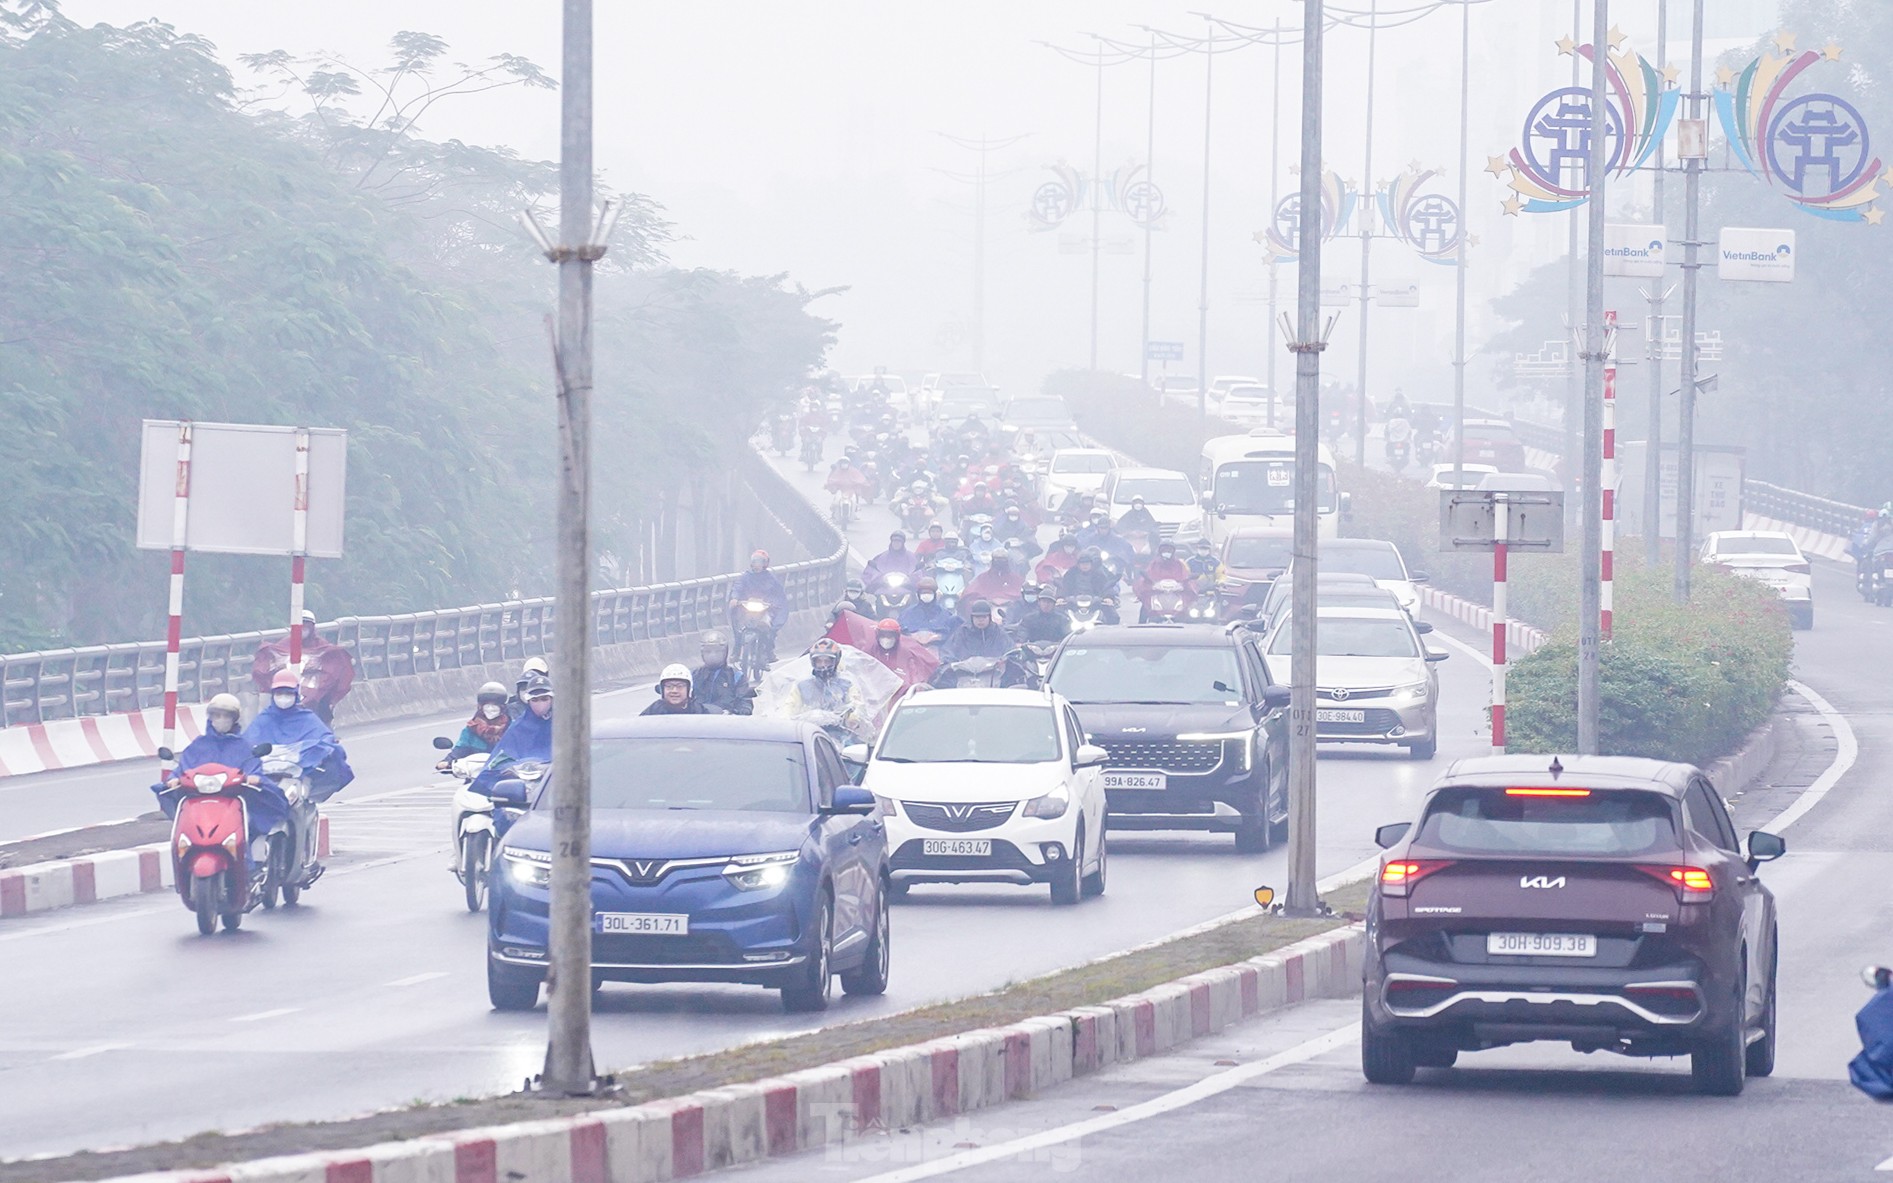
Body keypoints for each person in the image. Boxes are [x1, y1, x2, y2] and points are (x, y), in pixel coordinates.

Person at [152, 693, 286, 843]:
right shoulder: (198, 745)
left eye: (226, 715)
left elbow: (253, 769)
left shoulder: (244, 747)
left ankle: (247, 857)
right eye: (217, 715)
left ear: (234, 719)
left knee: (250, 820)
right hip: (200, 804)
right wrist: (174, 779)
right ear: (211, 717)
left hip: (232, 804)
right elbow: (183, 768)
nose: (221, 719)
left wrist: (253, 779)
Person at [244, 670, 354, 804]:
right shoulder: (264, 719)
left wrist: (324, 748)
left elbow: (324, 737)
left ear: (296, 694)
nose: (283, 697)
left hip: (298, 774)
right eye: (279, 693)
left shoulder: (306, 718)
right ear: (273, 694)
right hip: (266, 775)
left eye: (288, 693)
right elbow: (248, 742)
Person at [250, 610, 356, 725]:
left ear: (313, 627)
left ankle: (325, 730)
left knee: (323, 703)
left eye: (307, 624)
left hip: (315, 690)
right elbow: (270, 661)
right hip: (288, 689)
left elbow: (333, 668)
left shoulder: (323, 648)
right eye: (300, 624)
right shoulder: (283, 646)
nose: (303, 627)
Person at [785, 638, 867, 741]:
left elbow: (857, 705)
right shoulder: (801, 684)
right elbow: (789, 709)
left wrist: (852, 719)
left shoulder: (847, 683)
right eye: (819, 661)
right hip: (809, 733)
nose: (823, 665)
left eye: (827, 661)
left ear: (836, 660)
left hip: (841, 734)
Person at [730, 549, 790, 658]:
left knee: (768, 627)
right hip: (747, 608)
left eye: (760, 562)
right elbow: (738, 587)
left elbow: (778, 594)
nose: (757, 565)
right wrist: (735, 598)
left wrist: (773, 604)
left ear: (765, 564)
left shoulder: (770, 578)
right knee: (738, 627)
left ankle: (768, 651)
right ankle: (736, 650)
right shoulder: (746, 576)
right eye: (755, 562)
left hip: (765, 610)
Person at [438, 682, 512, 770]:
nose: (490, 708)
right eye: (486, 705)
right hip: (477, 774)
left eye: (495, 705)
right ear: (480, 706)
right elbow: (461, 748)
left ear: (502, 707)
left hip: (506, 772)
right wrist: (447, 761)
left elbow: (522, 748)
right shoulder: (471, 729)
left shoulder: (513, 727)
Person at [865, 617, 938, 692]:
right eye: (883, 635)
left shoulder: (907, 651)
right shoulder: (871, 650)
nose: (886, 639)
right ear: (877, 635)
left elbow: (914, 675)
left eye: (890, 636)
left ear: (897, 636)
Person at [692, 631, 753, 715]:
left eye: (717, 652)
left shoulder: (736, 676)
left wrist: (736, 712)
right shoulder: (694, 675)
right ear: (702, 653)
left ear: (725, 653)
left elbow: (744, 701)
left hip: (726, 723)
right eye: (708, 652)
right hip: (696, 722)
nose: (712, 655)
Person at [1059, 547, 1122, 624]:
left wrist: (1108, 597)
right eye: (1082, 563)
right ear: (1078, 564)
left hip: (1095, 604)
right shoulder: (1070, 574)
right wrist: (1060, 597)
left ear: (1091, 564)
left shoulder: (1099, 575)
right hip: (1073, 605)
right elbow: (1063, 586)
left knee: (1113, 617)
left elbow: (1106, 587)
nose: (1085, 565)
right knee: (1058, 617)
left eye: (1087, 563)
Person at [940, 600, 1014, 664]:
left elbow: (1011, 651)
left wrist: (1004, 662)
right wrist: (951, 662)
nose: (980, 620)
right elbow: (947, 651)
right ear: (972, 617)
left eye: (984, 617)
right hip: (965, 674)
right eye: (977, 617)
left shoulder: (998, 632)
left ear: (989, 617)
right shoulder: (963, 632)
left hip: (994, 674)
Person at [1135, 541, 1196, 617]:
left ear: (1173, 552)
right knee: (1146, 606)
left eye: (1169, 550)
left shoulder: (1179, 564)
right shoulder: (1155, 564)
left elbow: (1185, 576)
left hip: (1176, 592)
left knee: (1188, 606)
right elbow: (1148, 575)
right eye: (1164, 550)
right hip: (1157, 591)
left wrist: (1183, 584)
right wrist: (1153, 583)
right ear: (1160, 551)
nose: (1166, 552)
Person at [898, 576, 961, 645]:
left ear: (935, 594)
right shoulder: (906, 614)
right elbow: (900, 633)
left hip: (938, 649)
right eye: (924, 592)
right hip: (912, 648)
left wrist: (939, 637)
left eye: (929, 592)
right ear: (918, 595)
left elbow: (954, 636)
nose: (926, 595)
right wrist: (912, 636)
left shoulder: (946, 615)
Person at [963, 552, 1024, 618]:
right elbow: (971, 591)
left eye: (1003, 560)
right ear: (992, 561)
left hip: (1011, 608)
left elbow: (1022, 591)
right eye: (997, 560)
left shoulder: (1015, 578)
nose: (1000, 563)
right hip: (987, 607)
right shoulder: (983, 577)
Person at [642, 664, 719, 715]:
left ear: (689, 689)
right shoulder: (653, 711)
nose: (674, 691)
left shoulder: (698, 711)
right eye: (669, 686)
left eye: (680, 686)